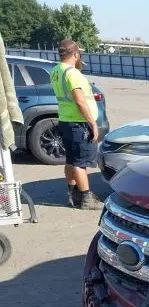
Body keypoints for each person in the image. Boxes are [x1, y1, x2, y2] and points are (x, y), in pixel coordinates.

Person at [49, 39, 102, 210]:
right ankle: (86, 198)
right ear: (76, 54)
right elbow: (80, 101)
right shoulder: (73, 74)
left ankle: (73, 194)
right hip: (79, 123)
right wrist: (93, 123)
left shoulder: (56, 70)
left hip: (65, 120)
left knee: (71, 160)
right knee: (81, 162)